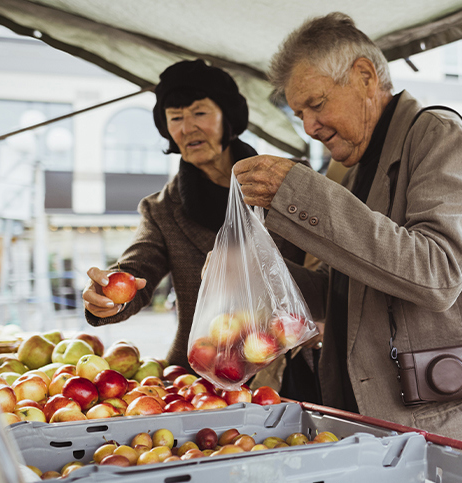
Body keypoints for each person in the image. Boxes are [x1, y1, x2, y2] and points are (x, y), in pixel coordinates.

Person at [232, 13, 462, 461]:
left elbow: (437, 273)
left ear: (365, 76)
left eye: (316, 104)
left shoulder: (438, 135)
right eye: (300, 114)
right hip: (376, 425)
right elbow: (348, 297)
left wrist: (301, 193)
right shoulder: (356, 168)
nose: (309, 127)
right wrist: (259, 270)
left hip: (446, 430)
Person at [82, 59, 303, 369]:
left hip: (286, 368)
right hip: (199, 374)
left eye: (200, 113)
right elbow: (136, 269)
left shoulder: (287, 183)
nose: (187, 128)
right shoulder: (161, 209)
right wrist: (108, 294)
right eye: (175, 118)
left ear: (228, 117)